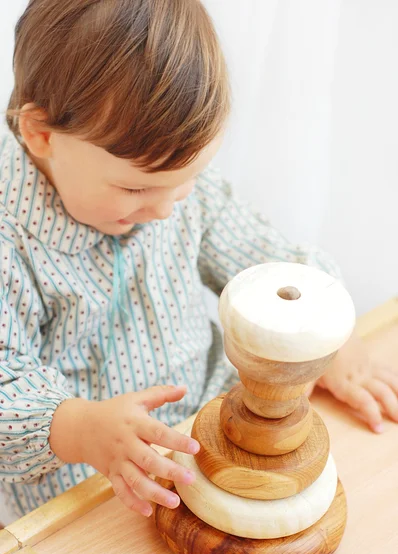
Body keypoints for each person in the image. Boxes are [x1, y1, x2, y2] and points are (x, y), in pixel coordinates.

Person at [1, 0, 397, 522]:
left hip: (212, 423)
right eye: (135, 187)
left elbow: (269, 264)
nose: (165, 208)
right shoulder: (12, 245)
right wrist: (78, 428)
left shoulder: (173, 190)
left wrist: (328, 339)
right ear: (41, 135)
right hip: (94, 485)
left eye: (183, 182)